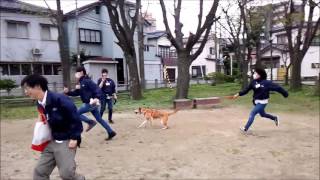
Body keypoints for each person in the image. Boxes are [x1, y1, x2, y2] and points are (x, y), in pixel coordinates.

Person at [21, 74, 85, 180]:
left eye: (27, 88)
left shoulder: (60, 99)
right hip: (51, 141)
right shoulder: (40, 103)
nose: (26, 92)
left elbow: (75, 119)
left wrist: (74, 138)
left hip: (66, 140)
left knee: (67, 174)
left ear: (37, 86)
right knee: (39, 172)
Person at [64, 66, 116, 140]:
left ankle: (90, 122)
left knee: (75, 113)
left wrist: (96, 98)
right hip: (92, 104)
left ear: (81, 72)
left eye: (77, 73)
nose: (75, 74)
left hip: (90, 103)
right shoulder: (82, 82)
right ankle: (111, 132)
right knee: (99, 119)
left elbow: (97, 89)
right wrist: (68, 92)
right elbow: (77, 92)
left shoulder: (87, 81)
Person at [233, 68, 289, 132]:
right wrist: (238, 94)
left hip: (263, 102)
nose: (254, 74)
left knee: (253, 113)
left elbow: (278, 87)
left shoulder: (266, 83)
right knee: (263, 114)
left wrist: (285, 94)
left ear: (259, 75)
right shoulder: (253, 82)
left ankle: (245, 128)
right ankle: (275, 118)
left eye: (255, 73)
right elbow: (246, 90)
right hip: (256, 102)